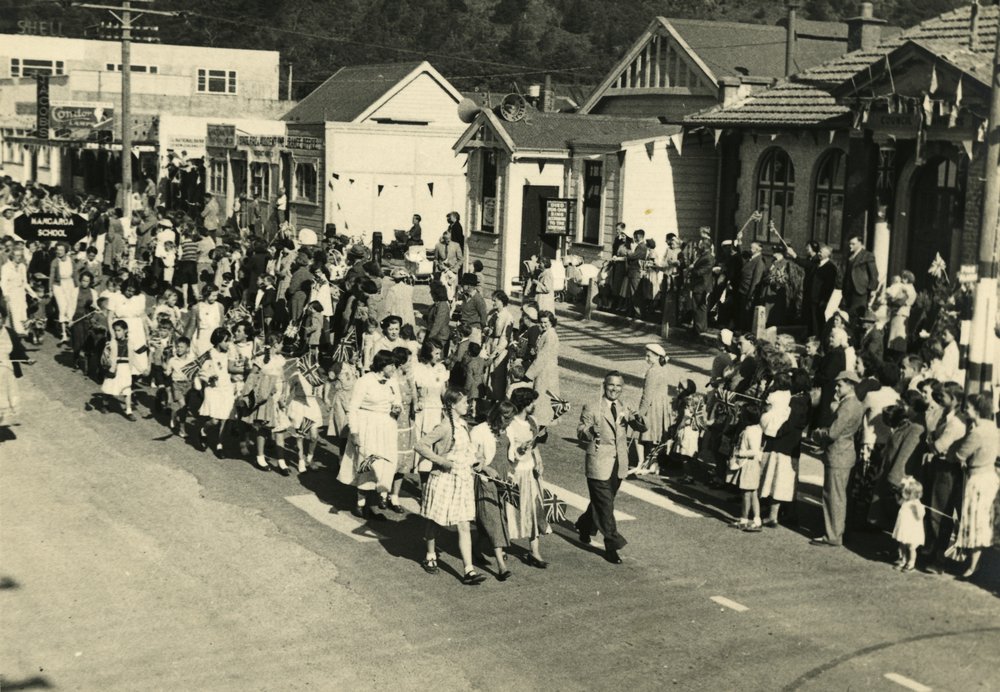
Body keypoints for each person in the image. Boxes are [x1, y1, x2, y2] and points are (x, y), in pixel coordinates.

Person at [414, 387, 487, 585]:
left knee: (463, 523)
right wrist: (441, 461)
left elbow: (469, 450)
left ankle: (468, 571)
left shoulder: (463, 425)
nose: (468, 405)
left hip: (461, 479)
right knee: (435, 521)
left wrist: (478, 459)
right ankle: (430, 556)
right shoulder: (445, 426)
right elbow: (420, 445)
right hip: (444, 479)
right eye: (464, 402)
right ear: (453, 405)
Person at [575, 372, 646, 564]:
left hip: (618, 463)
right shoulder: (593, 406)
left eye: (618, 386)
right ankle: (612, 544)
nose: (614, 389)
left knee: (602, 501)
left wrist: (637, 419)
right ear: (604, 385)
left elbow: (640, 428)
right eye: (611, 385)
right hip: (598, 461)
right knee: (606, 505)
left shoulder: (625, 406)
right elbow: (580, 431)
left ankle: (584, 524)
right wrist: (590, 431)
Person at [336, 350, 401, 518]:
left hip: (387, 427)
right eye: (391, 365)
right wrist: (355, 432)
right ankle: (361, 504)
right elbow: (353, 408)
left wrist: (397, 408)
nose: (394, 368)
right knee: (367, 463)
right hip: (368, 426)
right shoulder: (364, 381)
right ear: (382, 365)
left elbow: (397, 401)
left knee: (384, 465)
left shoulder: (393, 382)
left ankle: (375, 502)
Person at [811, 370, 864, 547]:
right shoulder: (857, 404)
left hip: (838, 454)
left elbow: (833, 432)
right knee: (839, 495)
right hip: (846, 452)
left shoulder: (847, 406)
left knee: (833, 496)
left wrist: (817, 433)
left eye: (840, 385)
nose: (837, 387)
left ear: (850, 385)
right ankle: (835, 531)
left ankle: (832, 535)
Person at [952, 393, 1000, 579]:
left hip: (976, 479)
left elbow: (960, 455)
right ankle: (979, 561)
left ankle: (974, 565)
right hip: (990, 477)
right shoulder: (993, 429)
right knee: (984, 521)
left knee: (974, 521)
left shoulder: (977, 433)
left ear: (978, 410)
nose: (967, 410)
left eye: (970, 407)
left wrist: (961, 458)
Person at [923, 380, 967, 573]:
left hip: (947, 469)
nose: (939, 398)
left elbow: (938, 445)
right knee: (935, 509)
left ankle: (938, 558)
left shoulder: (956, 422)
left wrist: (930, 430)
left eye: (943, 396)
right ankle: (932, 549)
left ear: (954, 399)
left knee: (939, 512)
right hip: (940, 467)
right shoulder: (946, 416)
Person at [471, 400, 515, 580]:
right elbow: (471, 454)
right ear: (497, 416)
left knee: (494, 518)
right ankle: (501, 566)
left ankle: (476, 548)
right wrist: (485, 468)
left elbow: (510, 454)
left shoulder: (508, 429)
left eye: (511, 418)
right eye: (506, 418)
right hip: (486, 478)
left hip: (503, 477)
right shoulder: (479, 430)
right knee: (493, 519)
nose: (509, 421)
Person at [506, 387, 550, 568]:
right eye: (532, 402)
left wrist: (538, 461)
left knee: (534, 509)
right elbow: (507, 450)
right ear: (525, 404)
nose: (534, 405)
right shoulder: (510, 424)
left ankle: (535, 551)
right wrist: (519, 450)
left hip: (530, 471)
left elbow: (535, 445)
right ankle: (499, 546)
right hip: (516, 473)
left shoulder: (532, 421)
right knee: (511, 510)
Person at [412, 339, 450, 488]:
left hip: (437, 411)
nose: (438, 355)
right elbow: (414, 389)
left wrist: (449, 404)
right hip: (423, 412)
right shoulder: (418, 368)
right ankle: (423, 483)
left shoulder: (441, 368)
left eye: (440, 353)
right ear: (428, 353)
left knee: (437, 446)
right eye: (436, 353)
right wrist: (416, 402)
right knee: (424, 445)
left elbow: (443, 391)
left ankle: (432, 483)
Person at [197, 327, 236, 457]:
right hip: (213, 388)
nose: (228, 344)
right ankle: (203, 430)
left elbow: (231, 369)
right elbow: (201, 371)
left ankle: (220, 445)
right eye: (226, 341)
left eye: (229, 341)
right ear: (218, 342)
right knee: (214, 420)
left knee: (224, 418)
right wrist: (208, 377)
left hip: (226, 388)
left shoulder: (229, 354)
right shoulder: (209, 354)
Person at [636, 343, 672, 475]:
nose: (646, 359)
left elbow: (647, 395)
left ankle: (642, 462)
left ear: (657, 357)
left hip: (653, 406)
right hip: (662, 405)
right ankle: (653, 463)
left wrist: (640, 412)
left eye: (649, 356)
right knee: (655, 436)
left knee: (640, 434)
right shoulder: (663, 369)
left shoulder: (652, 371)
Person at [727, 403, 764, 531]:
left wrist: (738, 453)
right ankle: (757, 520)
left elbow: (753, 451)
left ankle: (744, 519)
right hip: (755, 464)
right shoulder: (758, 429)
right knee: (753, 493)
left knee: (746, 493)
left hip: (748, 464)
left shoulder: (748, 431)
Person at [524, 310, 560, 427]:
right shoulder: (547, 333)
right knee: (543, 398)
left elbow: (543, 357)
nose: (543, 325)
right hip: (546, 369)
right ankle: (540, 423)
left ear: (551, 322)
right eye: (542, 322)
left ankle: (540, 425)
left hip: (545, 371)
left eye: (546, 322)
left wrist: (529, 374)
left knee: (542, 397)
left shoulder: (550, 335)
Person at [96, 319, 137, 420]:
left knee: (127, 389)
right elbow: (106, 357)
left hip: (125, 368)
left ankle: (128, 411)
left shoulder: (130, 343)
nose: (116, 332)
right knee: (109, 386)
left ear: (125, 330)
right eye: (115, 330)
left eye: (119, 330)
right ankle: (105, 404)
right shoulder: (111, 343)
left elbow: (133, 357)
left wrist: (135, 369)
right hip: (113, 369)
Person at [891, 476, 925, 572]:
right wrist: (896, 495)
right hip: (903, 528)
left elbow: (920, 516)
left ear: (912, 494)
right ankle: (902, 559)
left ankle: (911, 564)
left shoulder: (917, 504)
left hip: (911, 530)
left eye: (905, 492)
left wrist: (917, 508)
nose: (902, 493)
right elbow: (899, 502)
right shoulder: (906, 501)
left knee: (911, 547)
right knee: (901, 544)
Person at [841, 235, 878, 319]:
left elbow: (874, 274)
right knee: (847, 314)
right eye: (850, 244)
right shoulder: (849, 256)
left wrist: (872, 289)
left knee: (856, 314)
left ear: (860, 244)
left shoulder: (867, 255)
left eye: (853, 244)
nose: (850, 246)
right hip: (848, 290)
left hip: (860, 290)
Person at [49, 242, 79, 344]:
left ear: (66, 251)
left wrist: (78, 287)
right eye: (57, 249)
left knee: (71, 307)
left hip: (70, 284)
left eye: (61, 250)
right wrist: (50, 289)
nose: (59, 251)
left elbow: (75, 274)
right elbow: (52, 276)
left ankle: (71, 331)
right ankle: (63, 334)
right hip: (59, 285)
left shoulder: (71, 260)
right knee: (62, 307)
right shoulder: (55, 262)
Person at [736, 241, 766, 331]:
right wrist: (739, 242)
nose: (750, 249)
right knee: (741, 312)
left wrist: (751, 295)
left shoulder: (759, 262)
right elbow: (742, 254)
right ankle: (741, 330)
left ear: (758, 249)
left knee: (747, 313)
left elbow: (756, 280)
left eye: (752, 248)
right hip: (743, 289)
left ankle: (745, 332)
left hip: (748, 291)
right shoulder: (752, 258)